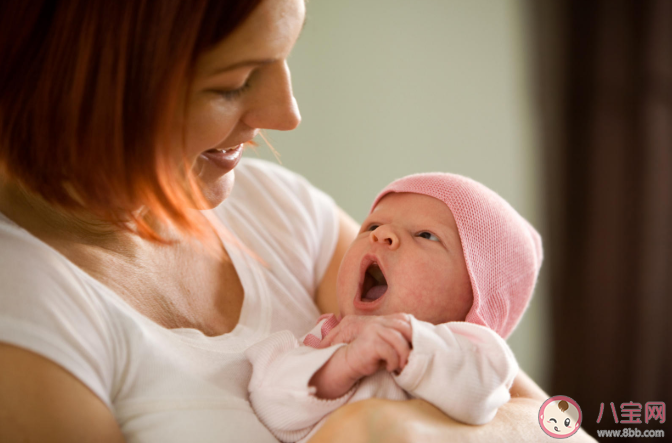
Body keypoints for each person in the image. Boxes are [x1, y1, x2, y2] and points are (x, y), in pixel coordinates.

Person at [0, 1, 597, 442]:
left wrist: (386, 428)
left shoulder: (279, 211)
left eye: (285, 57)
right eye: (233, 83)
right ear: (83, 87)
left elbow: (566, 428)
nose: (287, 115)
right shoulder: (26, 308)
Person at [246, 173, 541, 442]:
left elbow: (481, 395)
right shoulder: (326, 340)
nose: (381, 234)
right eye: (372, 225)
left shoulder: (475, 352)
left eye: (425, 235)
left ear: (476, 297)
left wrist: (409, 343)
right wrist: (339, 367)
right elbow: (271, 405)